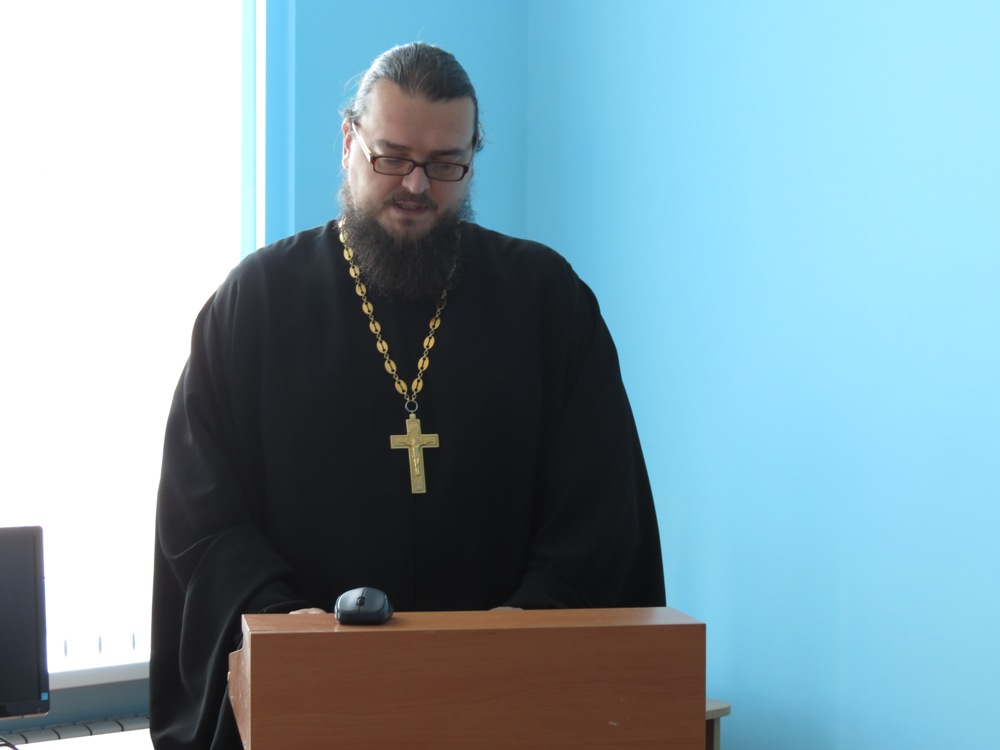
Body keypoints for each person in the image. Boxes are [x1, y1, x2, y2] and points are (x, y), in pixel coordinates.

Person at [150, 42, 665, 750]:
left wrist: (531, 618)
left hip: (511, 698)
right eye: (391, 158)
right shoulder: (254, 306)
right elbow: (201, 514)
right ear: (348, 142)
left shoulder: (548, 302)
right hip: (309, 697)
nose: (417, 185)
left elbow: (601, 507)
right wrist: (280, 620)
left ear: (472, 156)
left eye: (446, 164)